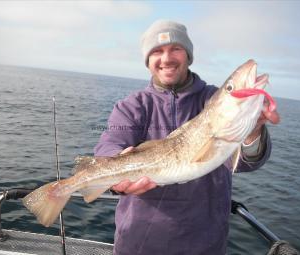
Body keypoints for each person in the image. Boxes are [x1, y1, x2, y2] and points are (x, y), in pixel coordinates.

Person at [94, 20, 280, 255]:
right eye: (157, 52)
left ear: (188, 55)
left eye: (175, 49)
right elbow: (110, 145)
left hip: (205, 244)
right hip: (138, 243)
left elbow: (242, 162)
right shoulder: (131, 106)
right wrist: (116, 178)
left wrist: (253, 130)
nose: (166, 58)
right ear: (148, 61)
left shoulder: (211, 99)